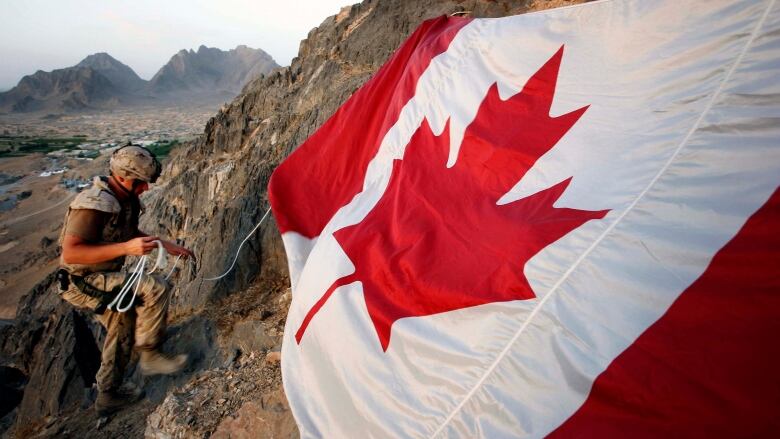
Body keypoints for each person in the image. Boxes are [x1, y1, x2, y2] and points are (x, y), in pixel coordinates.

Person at [57, 143, 194, 416]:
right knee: (155, 287)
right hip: (83, 279)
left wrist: (164, 245)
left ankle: (107, 395)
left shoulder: (123, 197)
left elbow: (128, 230)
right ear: (122, 178)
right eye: (140, 183)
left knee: (123, 325)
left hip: (101, 275)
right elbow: (71, 252)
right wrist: (125, 250)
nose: (145, 189)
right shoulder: (93, 204)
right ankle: (150, 356)